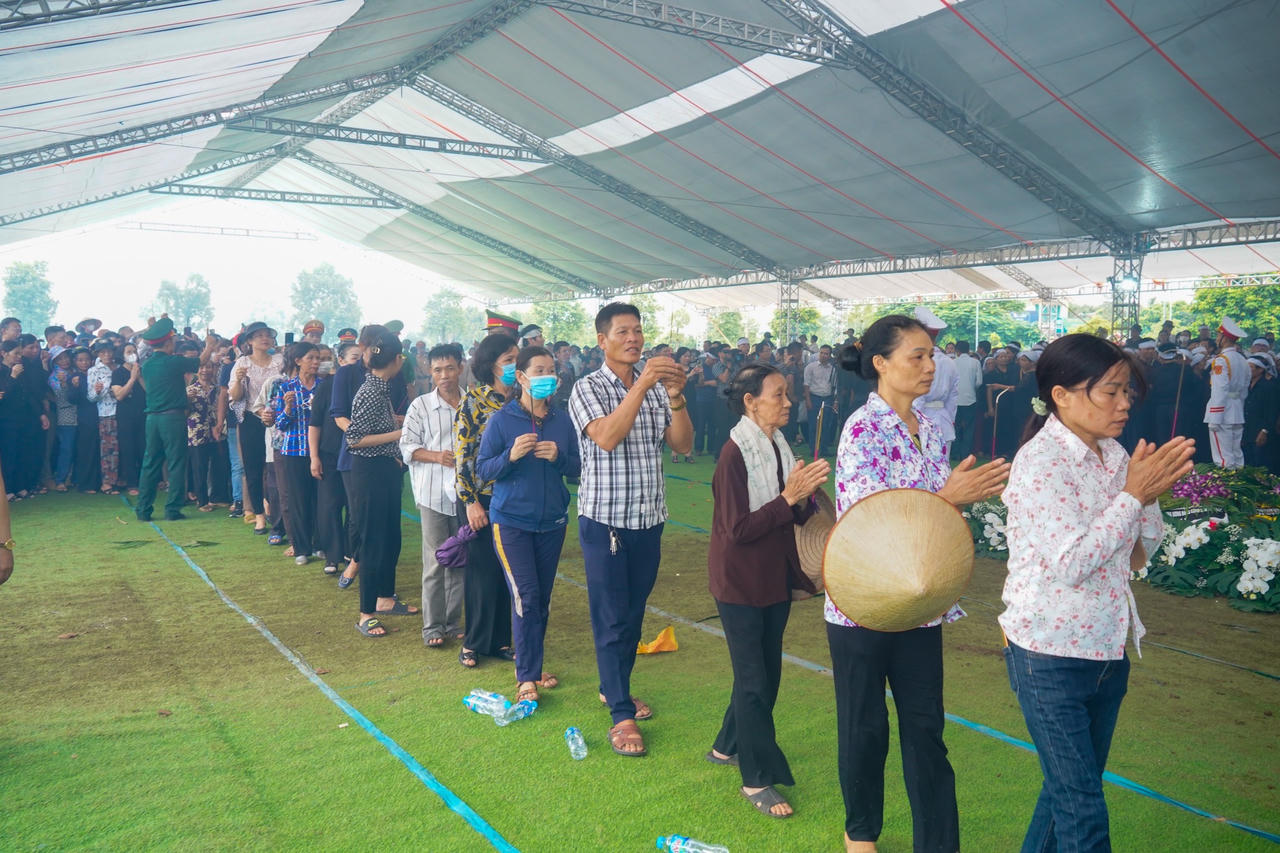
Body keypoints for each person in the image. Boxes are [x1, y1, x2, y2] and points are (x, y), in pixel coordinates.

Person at [1001, 334, 1193, 852]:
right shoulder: (1041, 464)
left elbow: (1138, 552)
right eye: (1110, 392)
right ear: (1061, 395)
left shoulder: (1114, 454)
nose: (1124, 403)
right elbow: (1072, 562)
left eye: (1127, 391)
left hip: (1107, 649)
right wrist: (1133, 496)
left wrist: (1144, 496)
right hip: (1048, 653)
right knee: (1081, 806)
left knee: (1066, 792)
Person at [830, 315, 1009, 853]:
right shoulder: (862, 429)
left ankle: (938, 843)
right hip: (863, 604)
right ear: (880, 364)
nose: (931, 366)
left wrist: (957, 500)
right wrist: (949, 497)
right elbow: (874, 520)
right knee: (865, 728)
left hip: (921, 603)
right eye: (917, 356)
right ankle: (861, 833)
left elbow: (937, 519)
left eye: (932, 355)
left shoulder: (931, 429)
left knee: (926, 730)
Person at [569, 302, 692, 758]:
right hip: (606, 521)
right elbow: (606, 436)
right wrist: (642, 385)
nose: (634, 339)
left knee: (633, 613)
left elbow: (682, 444)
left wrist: (676, 396)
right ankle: (620, 712)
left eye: (638, 331)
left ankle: (611, 686)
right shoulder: (586, 388)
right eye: (622, 332)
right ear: (602, 340)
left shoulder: (658, 388)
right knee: (610, 618)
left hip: (649, 518)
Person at [706, 363, 829, 818]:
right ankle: (756, 778)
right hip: (739, 583)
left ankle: (725, 746)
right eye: (778, 395)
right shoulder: (733, 455)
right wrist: (789, 499)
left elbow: (791, 516)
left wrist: (806, 493)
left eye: (787, 394)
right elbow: (737, 530)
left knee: (762, 675)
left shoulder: (777, 444)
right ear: (750, 401)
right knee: (756, 681)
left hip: (774, 578)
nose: (788, 402)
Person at [476, 345, 581, 703]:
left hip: (552, 523)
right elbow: (482, 471)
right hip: (511, 523)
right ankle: (526, 678)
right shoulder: (502, 421)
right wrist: (511, 455)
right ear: (520, 377)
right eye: (539, 370)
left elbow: (581, 470)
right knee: (527, 596)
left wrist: (559, 458)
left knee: (542, 598)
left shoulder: (563, 420)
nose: (547, 377)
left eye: (551, 370)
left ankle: (533, 667)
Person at [345, 329, 418, 637]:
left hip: (386, 469)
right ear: (397, 359)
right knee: (374, 541)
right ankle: (365, 613)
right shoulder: (371, 390)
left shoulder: (381, 387)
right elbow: (355, 439)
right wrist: (398, 436)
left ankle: (385, 598)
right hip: (370, 473)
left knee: (390, 537)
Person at [454, 333, 520, 668]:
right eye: (508, 360)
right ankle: (473, 642)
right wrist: (470, 501)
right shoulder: (475, 401)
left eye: (517, 359)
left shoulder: (524, 401)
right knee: (481, 572)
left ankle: (502, 641)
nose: (514, 366)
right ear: (490, 364)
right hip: (481, 497)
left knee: (508, 572)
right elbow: (463, 454)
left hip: (515, 498)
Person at [400, 345, 464, 648]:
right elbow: (407, 447)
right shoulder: (421, 406)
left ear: (460, 368)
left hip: (465, 496)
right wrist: (437, 457)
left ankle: (453, 623)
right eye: (438, 370)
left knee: (461, 560)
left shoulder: (472, 405)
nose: (444, 376)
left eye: (449, 368)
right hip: (432, 494)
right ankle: (432, 627)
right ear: (430, 371)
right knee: (437, 561)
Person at [134, 319, 217, 521]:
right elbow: (201, 361)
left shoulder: (148, 364)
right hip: (173, 419)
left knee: (150, 463)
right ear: (168, 342)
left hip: (152, 419)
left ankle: (143, 509)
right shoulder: (173, 361)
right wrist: (210, 345)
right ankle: (172, 509)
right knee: (177, 463)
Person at [228, 322, 283, 533]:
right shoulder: (242, 363)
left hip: (278, 420)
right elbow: (235, 396)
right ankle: (259, 514)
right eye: (258, 336)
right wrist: (239, 381)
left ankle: (275, 510)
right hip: (252, 419)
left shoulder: (279, 362)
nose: (264, 339)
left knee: (275, 467)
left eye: (267, 335)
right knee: (252, 468)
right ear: (249, 341)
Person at [309, 341, 358, 576]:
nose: (358, 363)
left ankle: (352, 553)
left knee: (354, 506)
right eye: (353, 358)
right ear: (341, 360)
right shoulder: (327, 386)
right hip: (329, 454)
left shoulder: (369, 385)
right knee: (329, 505)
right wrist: (314, 456)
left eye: (361, 358)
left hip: (357, 454)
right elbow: (315, 423)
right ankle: (333, 555)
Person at [273, 342, 322, 565]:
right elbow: (280, 425)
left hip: (320, 451)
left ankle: (320, 543)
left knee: (321, 500)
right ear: (298, 361)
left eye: (318, 358)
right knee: (298, 500)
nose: (315, 362)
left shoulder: (324, 386)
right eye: (311, 358)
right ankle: (302, 548)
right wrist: (288, 409)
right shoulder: (286, 388)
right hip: (293, 451)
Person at [1204, 317, 1250, 468]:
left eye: (1218, 335)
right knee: (1236, 454)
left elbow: (1220, 390)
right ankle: (1239, 485)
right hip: (1236, 410)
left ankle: (1226, 489)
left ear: (1224, 338)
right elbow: (1244, 390)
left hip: (1223, 412)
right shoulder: (1243, 359)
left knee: (1223, 457)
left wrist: (1215, 416)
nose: (1217, 338)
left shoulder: (1221, 360)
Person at [914, 307, 959, 456]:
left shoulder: (918, 361)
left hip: (920, 419)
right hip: (944, 420)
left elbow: (917, 396)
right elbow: (953, 397)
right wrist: (949, 418)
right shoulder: (950, 362)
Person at [185, 358, 221, 511]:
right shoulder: (190, 389)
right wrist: (187, 400)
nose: (205, 370)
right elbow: (184, 412)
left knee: (217, 463)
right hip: (196, 430)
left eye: (208, 367)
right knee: (199, 465)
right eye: (202, 367)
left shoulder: (218, 389)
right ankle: (202, 500)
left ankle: (217, 497)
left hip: (216, 428)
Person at [86, 341, 120, 493]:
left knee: (122, 447)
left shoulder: (120, 367)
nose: (107, 354)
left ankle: (120, 479)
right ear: (98, 354)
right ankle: (107, 482)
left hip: (123, 411)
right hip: (106, 413)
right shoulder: (94, 371)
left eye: (109, 351)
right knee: (108, 448)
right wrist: (99, 391)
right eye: (103, 352)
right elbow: (91, 397)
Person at [111, 341, 145, 495]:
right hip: (126, 415)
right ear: (122, 355)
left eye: (134, 351)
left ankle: (146, 481)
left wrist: (138, 377)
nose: (132, 354)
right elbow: (119, 395)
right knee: (128, 448)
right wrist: (132, 378)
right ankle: (132, 483)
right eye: (128, 352)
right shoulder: (118, 373)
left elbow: (150, 391)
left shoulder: (143, 371)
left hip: (144, 413)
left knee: (144, 447)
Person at [803, 344, 838, 457]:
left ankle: (824, 449)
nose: (823, 355)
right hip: (814, 397)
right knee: (813, 425)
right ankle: (813, 450)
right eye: (821, 353)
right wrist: (808, 400)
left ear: (830, 356)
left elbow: (835, 386)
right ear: (819, 353)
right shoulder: (810, 367)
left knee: (825, 425)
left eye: (826, 353)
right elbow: (806, 385)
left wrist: (835, 401)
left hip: (828, 398)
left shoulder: (833, 369)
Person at [952, 340, 983, 461]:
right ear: (968, 349)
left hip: (955, 399)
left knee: (955, 427)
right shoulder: (975, 362)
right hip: (970, 399)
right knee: (969, 428)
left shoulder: (953, 362)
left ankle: (954, 453)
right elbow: (979, 382)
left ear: (957, 351)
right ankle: (965, 454)